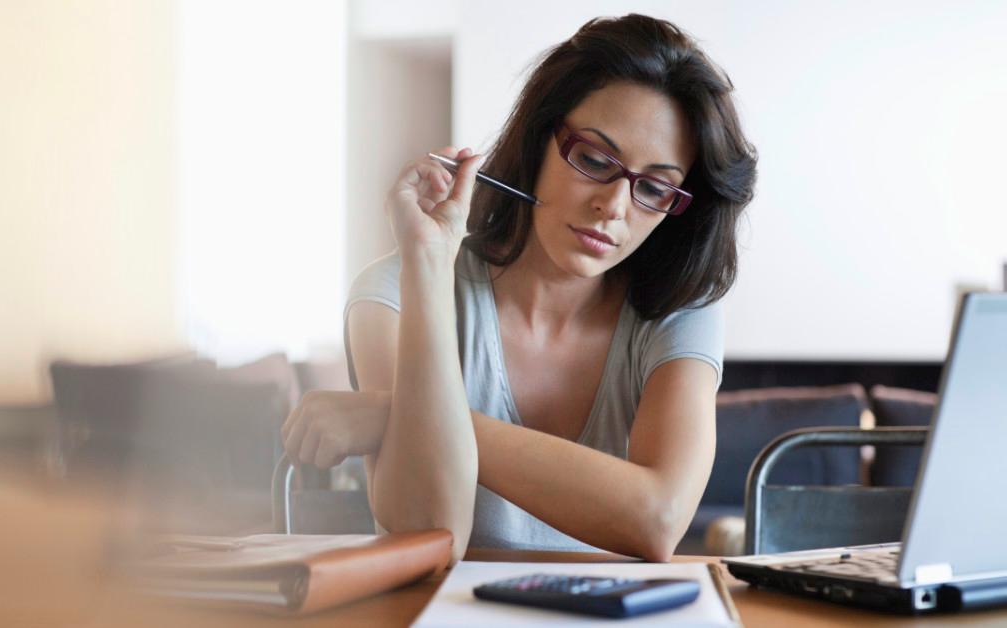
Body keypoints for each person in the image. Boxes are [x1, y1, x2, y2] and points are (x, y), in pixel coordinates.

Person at [281, 14, 757, 564]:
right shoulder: (393, 291)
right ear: (537, 142)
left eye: (654, 187)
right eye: (595, 160)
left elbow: (658, 520)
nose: (615, 206)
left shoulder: (680, 311)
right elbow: (429, 534)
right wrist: (430, 266)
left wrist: (396, 415)